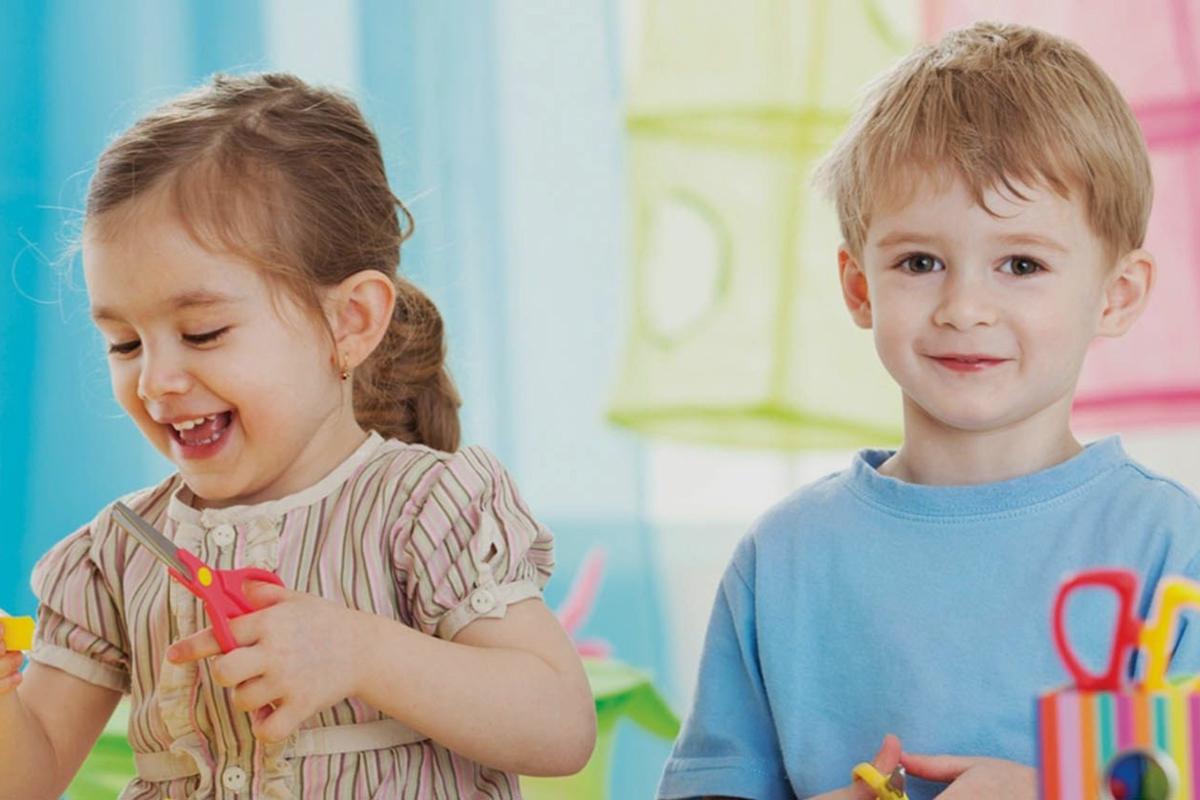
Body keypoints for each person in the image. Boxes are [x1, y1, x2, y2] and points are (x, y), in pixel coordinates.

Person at [0, 72, 595, 799]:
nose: (155, 381)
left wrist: (362, 652)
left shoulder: (426, 510)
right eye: (124, 344)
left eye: (202, 332)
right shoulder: (115, 556)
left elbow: (560, 727)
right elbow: (28, 779)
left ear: (349, 322)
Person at [657, 20, 1200, 800]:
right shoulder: (785, 559)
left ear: (1116, 295)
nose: (965, 306)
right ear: (858, 287)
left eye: (1021, 263)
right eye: (920, 262)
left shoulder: (1170, 550)